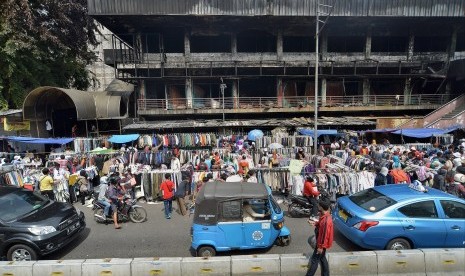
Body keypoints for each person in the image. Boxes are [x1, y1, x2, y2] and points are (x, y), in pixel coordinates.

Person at [306, 198, 333, 276]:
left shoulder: (327, 220)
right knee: (322, 258)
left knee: (315, 260)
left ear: (321, 207)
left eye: (319, 205)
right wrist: (314, 223)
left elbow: (325, 235)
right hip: (320, 242)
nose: (317, 206)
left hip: (320, 243)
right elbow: (320, 223)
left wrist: (321, 247)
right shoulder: (324, 215)